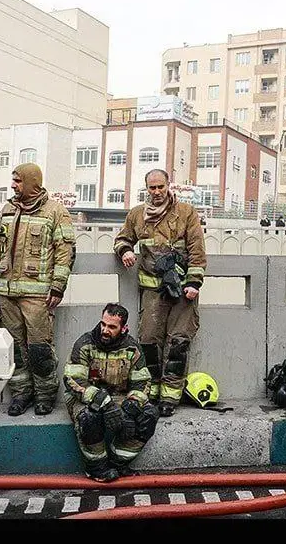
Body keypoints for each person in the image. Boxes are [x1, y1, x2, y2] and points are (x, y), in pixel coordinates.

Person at [0, 163, 76, 417]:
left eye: (18, 181)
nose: (13, 185)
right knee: (14, 349)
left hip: (38, 295)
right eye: (13, 180)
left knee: (39, 349)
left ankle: (45, 395)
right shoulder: (7, 209)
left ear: (32, 182)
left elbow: (65, 253)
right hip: (7, 293)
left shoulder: (56, 212)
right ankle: (21, 394)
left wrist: (58, 286)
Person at [113, 168, 207, 417]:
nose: (156, 192)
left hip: (182, 290)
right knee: (149, 341)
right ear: (147, 189)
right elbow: (122, 239)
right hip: (152, 290)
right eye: (152, 188)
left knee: (178, 343)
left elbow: (197, 249)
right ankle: (152, 391)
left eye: (160, 187)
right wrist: (125, 251)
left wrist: (194, 282)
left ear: (168, 186)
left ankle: (170, 396)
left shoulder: (186, 213)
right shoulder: (137, 215)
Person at [63, 303, 158, 482]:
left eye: (112, 327)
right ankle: (96, 468)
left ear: (124, 328)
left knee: (148, 415)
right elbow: (73, 380)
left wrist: (133, 403)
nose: (105, 330)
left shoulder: (132, 349)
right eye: (103, 324)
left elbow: (142, 382)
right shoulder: (85, 344)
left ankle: (118, 463)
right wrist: (104, 402)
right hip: (84, 397)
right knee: (89, 418)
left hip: (119, 396)